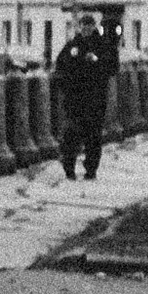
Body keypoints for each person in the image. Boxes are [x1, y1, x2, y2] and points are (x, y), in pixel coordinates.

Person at [54, 22, 111, 181]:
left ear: (94, 28)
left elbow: (111, 68)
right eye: (83, 27)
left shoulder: (101, 46)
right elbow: (60, 67)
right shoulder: (72, 46)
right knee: (72, 135)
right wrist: (66, 88)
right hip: (75, 100)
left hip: (95, 100)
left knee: (93, 137)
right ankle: (69, 168)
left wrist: (96, 60)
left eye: (89, 27)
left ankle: (91, 169)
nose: (86, 30)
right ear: (79, 27)